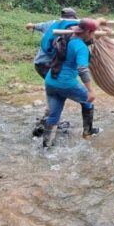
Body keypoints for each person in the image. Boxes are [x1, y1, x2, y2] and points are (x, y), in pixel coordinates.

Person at [41, 18, 102, 147]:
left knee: (54, 116)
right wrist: (90, 90)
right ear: (88, 32)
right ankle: (88, 132)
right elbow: (82, 69)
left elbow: (92, 27)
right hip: (66, 83)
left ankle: (46, 145)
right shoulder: (81, 47)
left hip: (50, 81)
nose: (94, 35)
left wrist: (103, 25)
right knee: (88, 101)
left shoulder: (66, 36)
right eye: (93, 33)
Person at [26, 7, 80, 79]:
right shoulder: (74, 27)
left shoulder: (51, 23)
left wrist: (30, 25)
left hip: (39, 63)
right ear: (74, 18)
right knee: (60, 84)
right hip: (50, 64)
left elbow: (34, 26)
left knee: (59, 84)